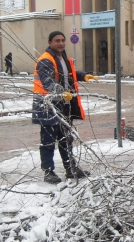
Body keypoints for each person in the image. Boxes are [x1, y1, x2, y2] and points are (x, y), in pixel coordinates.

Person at [32, 31, 99, 184]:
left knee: (66, 139)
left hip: (63, 105)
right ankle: (48, 171)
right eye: (57, 41)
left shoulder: (62, 59)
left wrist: (84, 75)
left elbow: (68, 74)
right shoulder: (46, 60)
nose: (61, 43)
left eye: (63, 40)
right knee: (48, 140)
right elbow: (48, 82)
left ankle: (71, 169)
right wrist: (63, 92)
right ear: (50, 42)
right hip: (48, 106)